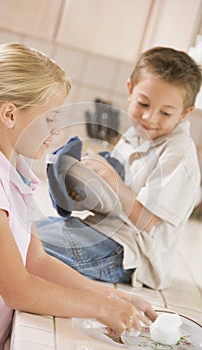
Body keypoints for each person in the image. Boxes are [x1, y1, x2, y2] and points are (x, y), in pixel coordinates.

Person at [0, 42, 157, 350]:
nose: (56, 129)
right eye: (50, 118)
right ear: (9, 115)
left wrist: (113, 296)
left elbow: (37, 261)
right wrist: (103, 309)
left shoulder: (14, 174)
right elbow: (17, 289)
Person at [37, 46, 202, 290]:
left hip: (127, 254)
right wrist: (83, 192)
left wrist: (111, 178)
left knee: (30, 245)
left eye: (165, 112)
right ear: (130, 90)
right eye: (143, 104)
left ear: (185, 113)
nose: (150, 118)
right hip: (100, 230)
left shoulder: (178, 153)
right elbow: (113, 200)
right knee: (26, 230)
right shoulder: (134, 135)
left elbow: (145, 220)